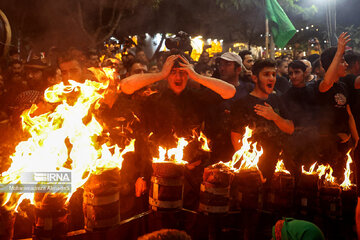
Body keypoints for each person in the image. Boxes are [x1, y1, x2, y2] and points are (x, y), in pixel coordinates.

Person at [231, 59, 294, 181]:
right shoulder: (241, 104)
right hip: (253, 169)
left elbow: (290, 129)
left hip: (278, 167)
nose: (271, 78)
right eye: (266, 75)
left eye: (273, 75)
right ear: (255, 78)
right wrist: (249, 166)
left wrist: (274, 117)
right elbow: (236, 137)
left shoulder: (278, 99)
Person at [282, 60, 318, 177]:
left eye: (297, 72)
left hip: (313, 142)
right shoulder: (285, 96)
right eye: (290, 73)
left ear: (305, 73)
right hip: (293, 144)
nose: (293, 76)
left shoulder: (314, 92)